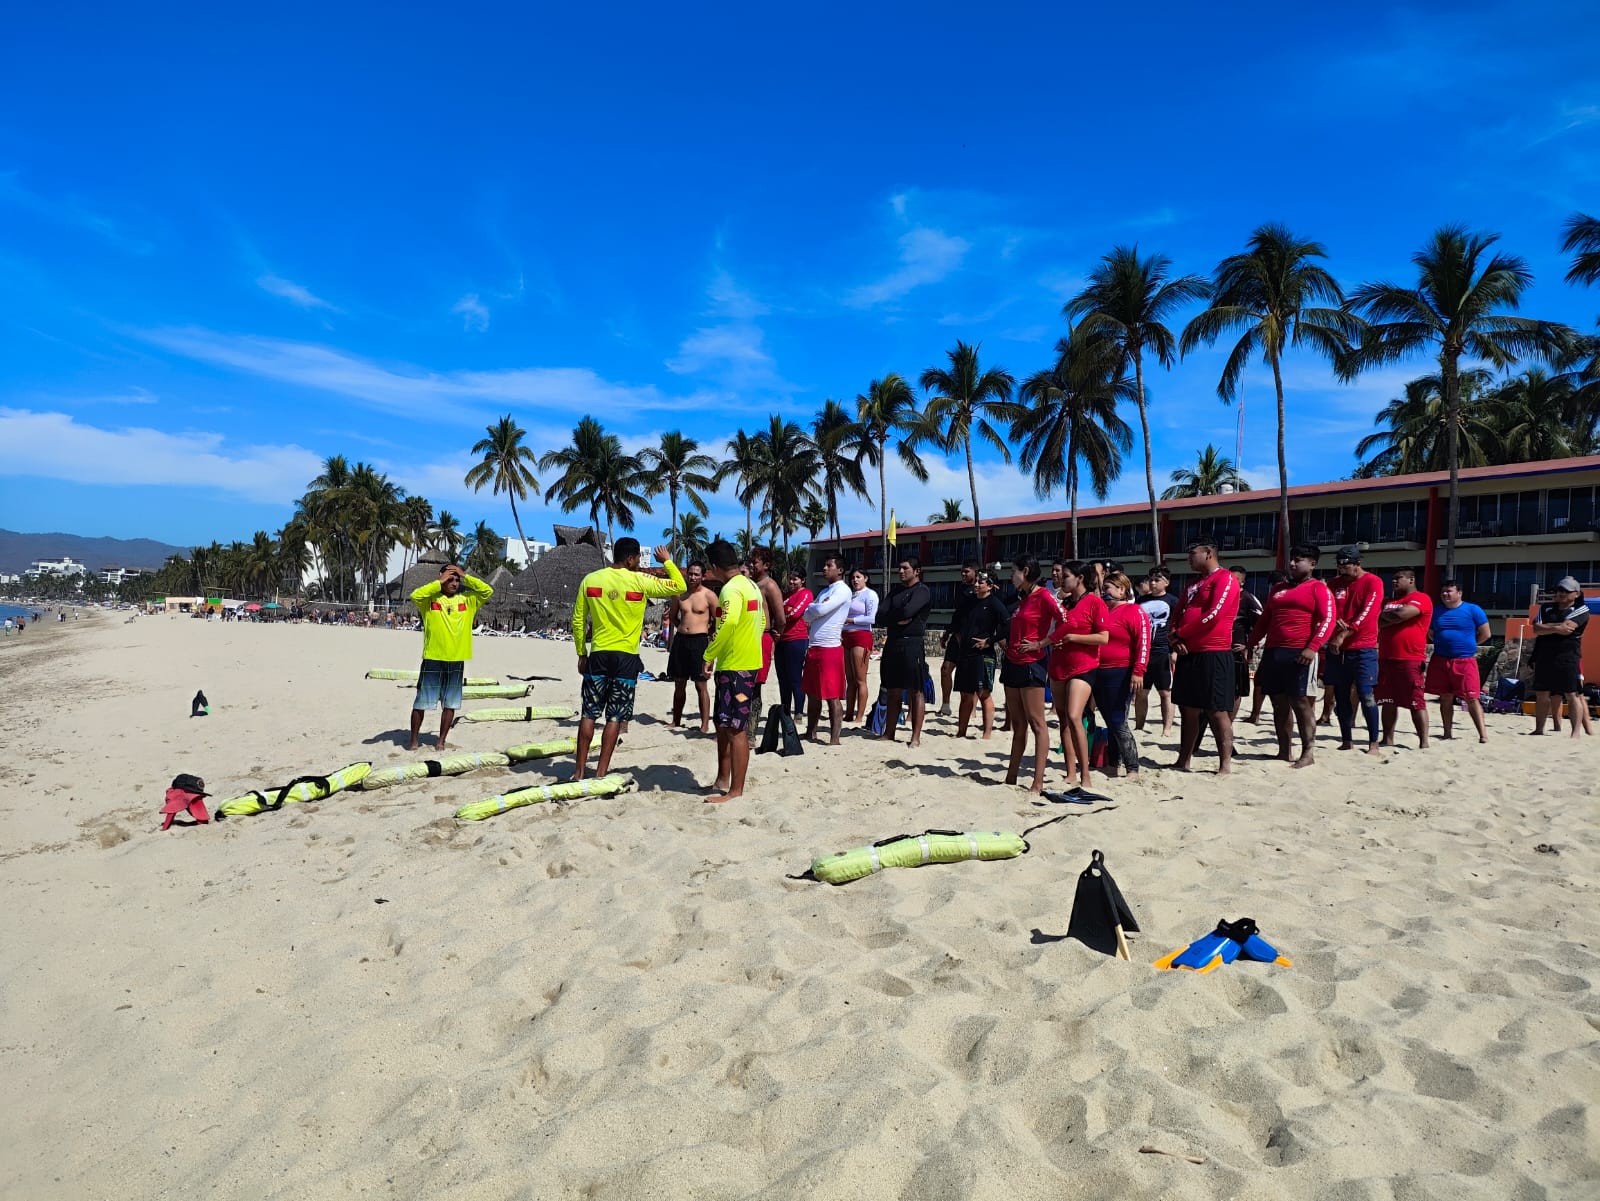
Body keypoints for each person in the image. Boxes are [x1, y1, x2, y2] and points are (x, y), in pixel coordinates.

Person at [571, 540, 686, 780]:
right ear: (631, 559)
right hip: (626, 658)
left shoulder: (591, 580)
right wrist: (666, 560)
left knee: (589, 714)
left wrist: (582, 652)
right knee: (614, 716)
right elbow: (679, 585)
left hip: (599, 654)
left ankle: (579, 771)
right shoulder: (639, 581)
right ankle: (601, 772)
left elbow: (578, 620)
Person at [1247, 545, 1335, 768]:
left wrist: (1313, 647)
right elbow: (1264, 620)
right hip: (1274, 652)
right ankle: (1284, 751)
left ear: (1313, 564)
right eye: (1291, 560)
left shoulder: (1318, 588)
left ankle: (1308, 753)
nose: (1293, 564)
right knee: (1278, 702)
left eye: (1299, 560)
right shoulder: (1278, 588)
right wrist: (1250, 643)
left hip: (1299, 652)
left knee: (1300, 702)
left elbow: (1328, 620)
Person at [701, 539, 766, 801]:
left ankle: (735, 790)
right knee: (725, 725)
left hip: (735, 666)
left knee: (736, 729)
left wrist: (709, 655)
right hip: (747, 662)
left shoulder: (730, 590)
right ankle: (722, 779)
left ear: (715, 566)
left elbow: (726, 626)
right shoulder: (750, 585)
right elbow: (761, 621)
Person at [1170, 539, 1241, 774]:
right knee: (1187, 708)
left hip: (1214, 652)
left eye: (1193, 553)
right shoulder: (1193, 584)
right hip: (1188, 652)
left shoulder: (1226, 578)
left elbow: (1215, 614)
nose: (1189, 558)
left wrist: (1181, 633)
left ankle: (1224, 764)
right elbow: (1177, 612)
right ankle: (1184, 759)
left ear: (1209, 553)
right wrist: (1174, 637)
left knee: (1217, 709)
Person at [408, 562, 494, 751]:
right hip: (433, 656)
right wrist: (439, 581)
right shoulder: (429, 599)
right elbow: (415, 595)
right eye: (450, 578)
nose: (454, 582)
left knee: (450, 703)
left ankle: (441, 741)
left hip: (456, 659)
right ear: (441, 578)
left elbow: (487, 591)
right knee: (422, 701)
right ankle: (413, 740)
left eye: (456, 579)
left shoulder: (467, 600)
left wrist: (465, 575)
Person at [1002, 556, 1064, 792]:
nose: (1011, 576)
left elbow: (1066, 622)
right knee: (1017, 724)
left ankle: (1037, 782)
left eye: (1013, 571)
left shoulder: (1044, 595)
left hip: (1032, 663)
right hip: (1012, 663)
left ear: (1025, 571)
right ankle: (1011, 776)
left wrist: (1043, 643)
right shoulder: (1022, 598)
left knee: (1037, 723)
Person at [1048, 560, 1109, 791]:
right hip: (1059, 663)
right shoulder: (1063, 603)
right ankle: (1070, 771)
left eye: (1065, 576)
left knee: (1074, 716)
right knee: (1063, 718)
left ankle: (1085, 774)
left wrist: (1074, 638)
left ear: (1080, 578)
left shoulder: (1095, 602)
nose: (1061, 579)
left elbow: (1103, 637)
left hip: (1084, 665)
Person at [1325, 546, 1384, 755]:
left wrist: (1346, 631)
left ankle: (1373, 742)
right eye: (1339, 565)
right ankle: (1346, 739)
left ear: (1357, 563)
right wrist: (1334, 628)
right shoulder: (1334, 584)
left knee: (1366, 694)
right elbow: (1328, 610)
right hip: (1337, 649)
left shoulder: (1373, 582)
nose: (1342, 569)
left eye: (1346, 565)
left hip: (1363, 648)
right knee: (1339, 696)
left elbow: (1367, 612)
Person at [1095, 571, 1151, 779]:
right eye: (1103, 588)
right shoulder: (1102, 612)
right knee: (1109, 719)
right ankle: (1112, 764)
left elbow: (1143, 643)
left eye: (1108, 588)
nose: (1104, 592)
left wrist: (1139, 671)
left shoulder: (1134, 611)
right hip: (1099, 671)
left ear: (1121, 590)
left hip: (1122, 671)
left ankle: (1132, 767)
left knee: (1119, 719)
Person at [1375, 568, 1434, 749]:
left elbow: (1402, 615)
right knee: (1387, 700)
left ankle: (1423, 741)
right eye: (1392, 579)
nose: (1394, 582)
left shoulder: (1421, 598)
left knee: (1416, 701)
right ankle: (1387, 738)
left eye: (1398, 578)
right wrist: (1389, 618)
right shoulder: (1387, 601)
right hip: (1386, 656)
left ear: (1411, 580)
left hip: (1410, 657)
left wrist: (1388, 618)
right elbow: (1376, 620)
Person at [1426, 579, 1490, 743]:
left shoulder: (1473, 609)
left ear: (1459, 593)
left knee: (1471, 697)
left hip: (1464, 660)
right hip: (1440, 659)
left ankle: (1483, 734)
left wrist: (1470, 644)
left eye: (1449, 591)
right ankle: (1447, 732)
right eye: (1443, 592)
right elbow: (1431, 633)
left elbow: (1486, 634)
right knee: (1445, 697)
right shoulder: (1436, 611)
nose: (1445, 594)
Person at [877, 556, 932, 746]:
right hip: (893, 643)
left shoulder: (922, 591)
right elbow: (880, 616)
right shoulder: (896, 591)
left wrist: (897, 616)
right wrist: (896, 618)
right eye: (899, 568)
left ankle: (915, 737)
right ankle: (889, 732)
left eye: (905, 568)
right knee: (893, 690)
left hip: (912, 644)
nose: (900, 571)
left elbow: (908, 613)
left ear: (916, 571)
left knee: (915, 691)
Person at [1531, 576, 1592, 738]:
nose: (1561, 593)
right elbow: (1536, 628)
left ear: (1577, 594)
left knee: (1572, 694)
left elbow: (1568, 628)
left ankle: (1575, 733)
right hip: (1545, 655)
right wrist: (1557, 627)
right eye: (1559, 590)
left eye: (1565, 591)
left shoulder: (1581, 609)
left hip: (1568, 656)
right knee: (1542, 693)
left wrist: (1548, 627)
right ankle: (1539, 729)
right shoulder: (1546, 608)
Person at [801, 555, 851, 745]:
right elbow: (807, 616)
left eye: (829, 565)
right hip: (814, 646)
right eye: (824, 564)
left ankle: (834, 738)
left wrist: (813, 608)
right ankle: (810, 732)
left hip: (830, 648)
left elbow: (818, 611)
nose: (824, 568)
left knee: (832, 695)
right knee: (812, 694)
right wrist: (814, 608)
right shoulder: (824, 591)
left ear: (840, 570)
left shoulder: (843, 590)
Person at [955, 570, 1010, 740]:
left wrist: (990, 640)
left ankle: (987, 734)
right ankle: (961, 732)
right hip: (965, 653)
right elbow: (957, 619)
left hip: (983, 654)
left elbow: (1008, 626)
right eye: (976, 581)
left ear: (990, 586)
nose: (976, 584)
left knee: (983, 693)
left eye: (981, 582)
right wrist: (953, 634)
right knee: (965, 695)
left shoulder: (994, 603)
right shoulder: (969, 601)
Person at [665, 561, 716, 733]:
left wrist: (707, 633)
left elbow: (719, 619)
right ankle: (676, 720)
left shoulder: (709, 596)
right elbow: (673, 616)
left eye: (696, 574)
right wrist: (683, 628)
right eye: (690, 573)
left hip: (700, 641)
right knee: (679, 683)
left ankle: (704, 724)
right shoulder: (679, 595)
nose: (692, 577)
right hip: (681, 641)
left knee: (701, 685)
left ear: (703, 576)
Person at [747, 547, 786, 722]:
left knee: (755, 685)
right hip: (748, 637)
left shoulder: (769, 585)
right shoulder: (750, 584)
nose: (751, 565)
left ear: (766, 565)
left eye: (755, 562)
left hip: (763, 636)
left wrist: (776, 637)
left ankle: (751, 731)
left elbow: (781, 618)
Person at [1135, 567, 1176, 735]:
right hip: (1143, 652)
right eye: (1150, 579)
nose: (1152, 583)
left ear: (1166, 583)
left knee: (1165, 692)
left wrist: (1174, 652)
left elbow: (1177, 626)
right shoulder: (1140, 601)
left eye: (1157, 580)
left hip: (1163, 651)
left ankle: (1166, 728)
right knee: (1141, 692)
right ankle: (1139, 726)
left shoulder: (1173, 601)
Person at [1246, 571, 1290, 724]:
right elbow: (1263, 621)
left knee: (1284, 687)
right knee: (1260, 680)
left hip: (1284, 645)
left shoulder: (1284, 596)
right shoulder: (1274, 597)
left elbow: (1260, 619)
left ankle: (1257, 715)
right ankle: (1255, 714)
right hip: (1270, 643)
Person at [938, 561, 980, 716]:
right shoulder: (961, 590)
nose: (963, 574)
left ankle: (973, 708)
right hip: (956, 636)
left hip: (971, 638)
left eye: (967, 572)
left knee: (970, 674)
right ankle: (945, 704)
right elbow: (957, 615)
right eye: (962, 571)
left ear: (975, 573)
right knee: (945, 669)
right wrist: (948, 633)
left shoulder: (979, 591)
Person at [777, 567, 813, 718]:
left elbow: (794, 613)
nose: (791, 582)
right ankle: (785, 709)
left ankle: (798, 711)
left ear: (803, 580)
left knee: (795, 677)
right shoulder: (785, 595)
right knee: (782, 678)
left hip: (797, 639)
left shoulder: (805, 594)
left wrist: (782, 615)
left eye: (795, 579)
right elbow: (776, 612)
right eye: (790, 579)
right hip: (781, 639)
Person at [843, 569, 878, 723]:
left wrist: (851, 621)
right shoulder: (850, 595)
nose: (855, 580)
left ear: (866, 578)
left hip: (861, 635)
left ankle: (859, 715)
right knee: (849, 678)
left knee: (860, 679)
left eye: (858, 577)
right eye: (852, 578)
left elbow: (871, 618)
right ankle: (849, 713)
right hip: (846, 636)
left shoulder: (870, 594)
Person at [1230, 567, 1264, 720]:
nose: (1231, 582)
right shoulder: (1221, 596)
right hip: (1218, 648)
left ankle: (1229, 721)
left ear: (1242, 581)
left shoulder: (1247, 598)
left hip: (1237, 650)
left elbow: (1262, 623)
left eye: (1235, 579)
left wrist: (1249, 645)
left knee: (1236, 689)